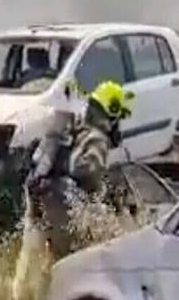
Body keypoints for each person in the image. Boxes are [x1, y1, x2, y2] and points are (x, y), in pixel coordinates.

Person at [26, 80, 133, 258]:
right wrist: (102, 193)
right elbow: (87, 173)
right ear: (112, 114)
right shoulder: (98, 139)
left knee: (40, 255)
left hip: (44, 195)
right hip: (62, 203)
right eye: (119, 117)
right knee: (71, 261)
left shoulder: (78, 129)